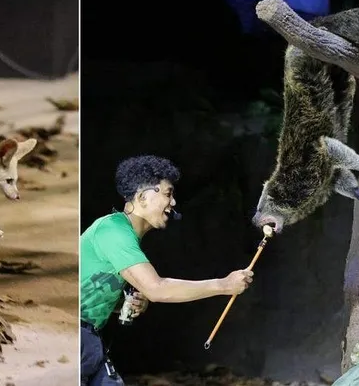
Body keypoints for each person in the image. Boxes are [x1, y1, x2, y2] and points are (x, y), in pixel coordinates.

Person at [80, 155, 254, 385]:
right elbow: (157, 288)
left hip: (90, 341)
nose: (173, 203)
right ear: (142, 197)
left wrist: (123, 305)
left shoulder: (123, 235)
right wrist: (223, 285)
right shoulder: (114, 231)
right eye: (168, 194)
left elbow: (89, 293)